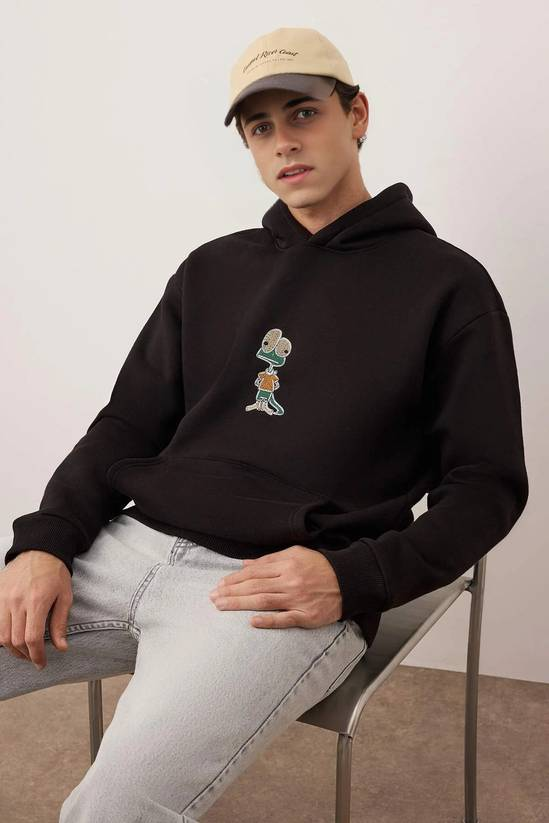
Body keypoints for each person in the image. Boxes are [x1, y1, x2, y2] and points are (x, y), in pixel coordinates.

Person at [0, 26, 528, 823]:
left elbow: (486, 485)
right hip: (124, 547)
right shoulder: (213, 268)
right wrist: (43, 541)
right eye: (259, 127)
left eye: (303, 114)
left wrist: (354, 578)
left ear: (356, 115)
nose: (283, 141)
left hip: (276, 592)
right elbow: (126, 424)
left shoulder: (447, 286)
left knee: (113, 806)